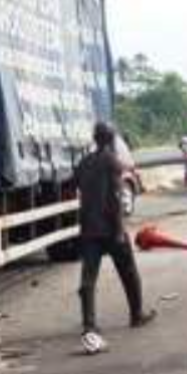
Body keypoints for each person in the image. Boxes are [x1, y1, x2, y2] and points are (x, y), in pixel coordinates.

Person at [75, 122, 156, 354]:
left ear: (95, 139)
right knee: (129, 272)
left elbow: (80, 185)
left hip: (89, 228)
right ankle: (136, 314)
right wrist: (119, 230)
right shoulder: (112, 162)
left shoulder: (84, 163)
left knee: (87, 281)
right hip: (110, 228)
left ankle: (89, 325)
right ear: (111, 139)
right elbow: (115, 197)